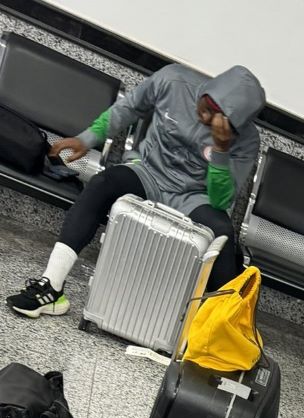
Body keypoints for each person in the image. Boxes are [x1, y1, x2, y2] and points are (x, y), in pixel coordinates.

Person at [6, 64, 266, 318]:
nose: (207, 119)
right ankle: (51, 288)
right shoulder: (173, 80)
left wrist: (221, 150)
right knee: (102, 184)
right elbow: (128, 108)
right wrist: (87, 138)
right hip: (149, 173)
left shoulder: (246, 140)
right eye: (207, 108)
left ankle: (222, 326)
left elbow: (221, 200)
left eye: (218, 121)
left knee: (222, 233)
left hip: (193, 197)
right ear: (207, 90)